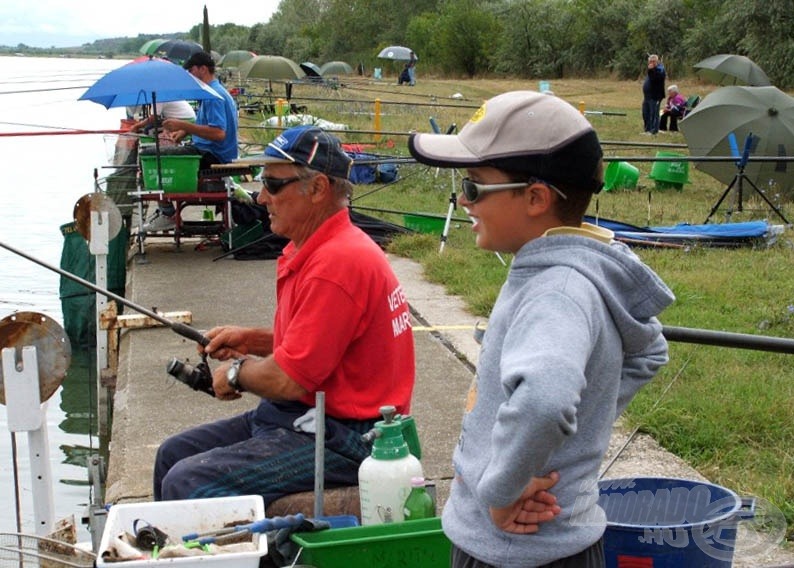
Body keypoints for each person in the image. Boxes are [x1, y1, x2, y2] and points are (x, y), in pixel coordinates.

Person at [408, 91, 674, 567]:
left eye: (473, 188)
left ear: (535, 198)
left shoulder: (556, 292)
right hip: (549, 544)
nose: (462, 202)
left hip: (513, 548)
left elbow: (546, 399)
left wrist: (501, 489)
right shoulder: (563, 273)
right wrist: (573, 437)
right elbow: (648, 350)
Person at [153, 125, 416, 506]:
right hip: (308, 416)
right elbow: (321, 345)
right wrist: (253, 341)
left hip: (350, 437)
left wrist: (235, 373)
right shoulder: (320, 248)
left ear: (318, 188)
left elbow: (290, 379)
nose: (261, 197)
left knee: (188, 481)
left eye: (273, 185)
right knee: (171, 455)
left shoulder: (337, 263)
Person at [143, 51, 239, 233]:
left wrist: (182, 124)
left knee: (150, 156)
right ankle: (167, 212)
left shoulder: (214, 96)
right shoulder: (214, 92)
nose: (189, 76)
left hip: (213, 155)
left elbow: (219, 133)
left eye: (191, 71)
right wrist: (184, 130)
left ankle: (167, 213)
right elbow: (208, 126)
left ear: (202, 69)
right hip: (209, 150)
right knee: (159, 150)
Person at [642, 54, 666, 135]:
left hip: (655, 96)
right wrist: (650, 70)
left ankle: (654, 131)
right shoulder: (651, 70)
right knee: (645, 113)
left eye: (653, 61)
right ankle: (647, 129)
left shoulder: (660, 69)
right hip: (647, 97)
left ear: (657, 61)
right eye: (650, 62)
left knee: (654, 113)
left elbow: (655, 79)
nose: (651, 63)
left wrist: (651, 70)